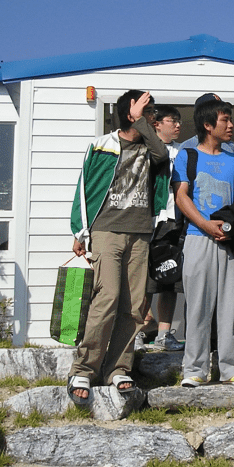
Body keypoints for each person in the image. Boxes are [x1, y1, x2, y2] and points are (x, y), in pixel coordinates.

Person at [67, 90, 169, 403]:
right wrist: (80, 231)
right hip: (106, 230)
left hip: (140, 233)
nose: (151, 117)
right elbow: (84, 189)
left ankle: (118, 368)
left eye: (151, 113)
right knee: (107, 295)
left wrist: (144, 125)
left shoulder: (152, 148)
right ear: (129, 113)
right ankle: (84, 368)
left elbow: (162, 156)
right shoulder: (101, 146)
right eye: (145, 111)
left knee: (135, 304)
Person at [174, 97, 234, 387]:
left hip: (231, 242)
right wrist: (205, 224)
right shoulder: (187, 156)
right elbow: (181, 196)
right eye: (225, 120)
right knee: (197, 306)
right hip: (197, 238)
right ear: (208, 125)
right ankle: (194, 369)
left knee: (231, 305)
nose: (231, 125)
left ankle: (232, 368)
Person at [137, 104, 186, 352]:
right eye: (172, 120)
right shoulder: (143, 149)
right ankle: (135, 331)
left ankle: (164, 334)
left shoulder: (185, 151)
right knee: (145, 280)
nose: (177, 125)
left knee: (170, 277)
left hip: (176, 221)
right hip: (150, 220)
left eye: (179, 121)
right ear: (156, 124)